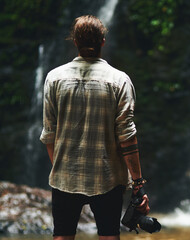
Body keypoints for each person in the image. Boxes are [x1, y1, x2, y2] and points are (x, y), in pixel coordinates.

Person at [40, 15, 149, 240]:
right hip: (107, 177)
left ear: (75, 42)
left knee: (62, 236)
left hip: (65, 176)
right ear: (102, 41)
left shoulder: (54, 79)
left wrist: (62, 167)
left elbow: (49, 133)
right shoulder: (120, 81)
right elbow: (127, 137)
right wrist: (137, 183)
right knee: (109, 235)